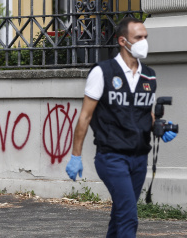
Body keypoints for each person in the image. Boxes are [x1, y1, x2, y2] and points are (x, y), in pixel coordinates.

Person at [65, 17, 177, 238]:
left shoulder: (149, 75)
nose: (144, 42)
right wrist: (75, 155)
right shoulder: (103, 72)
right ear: (123, 41)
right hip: (112, 157)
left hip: (138, 157)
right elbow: (85, 116)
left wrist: (160, 127)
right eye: (138, 38)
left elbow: (146, 112)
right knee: (128, 215)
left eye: (145, 37)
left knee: (120, 213)